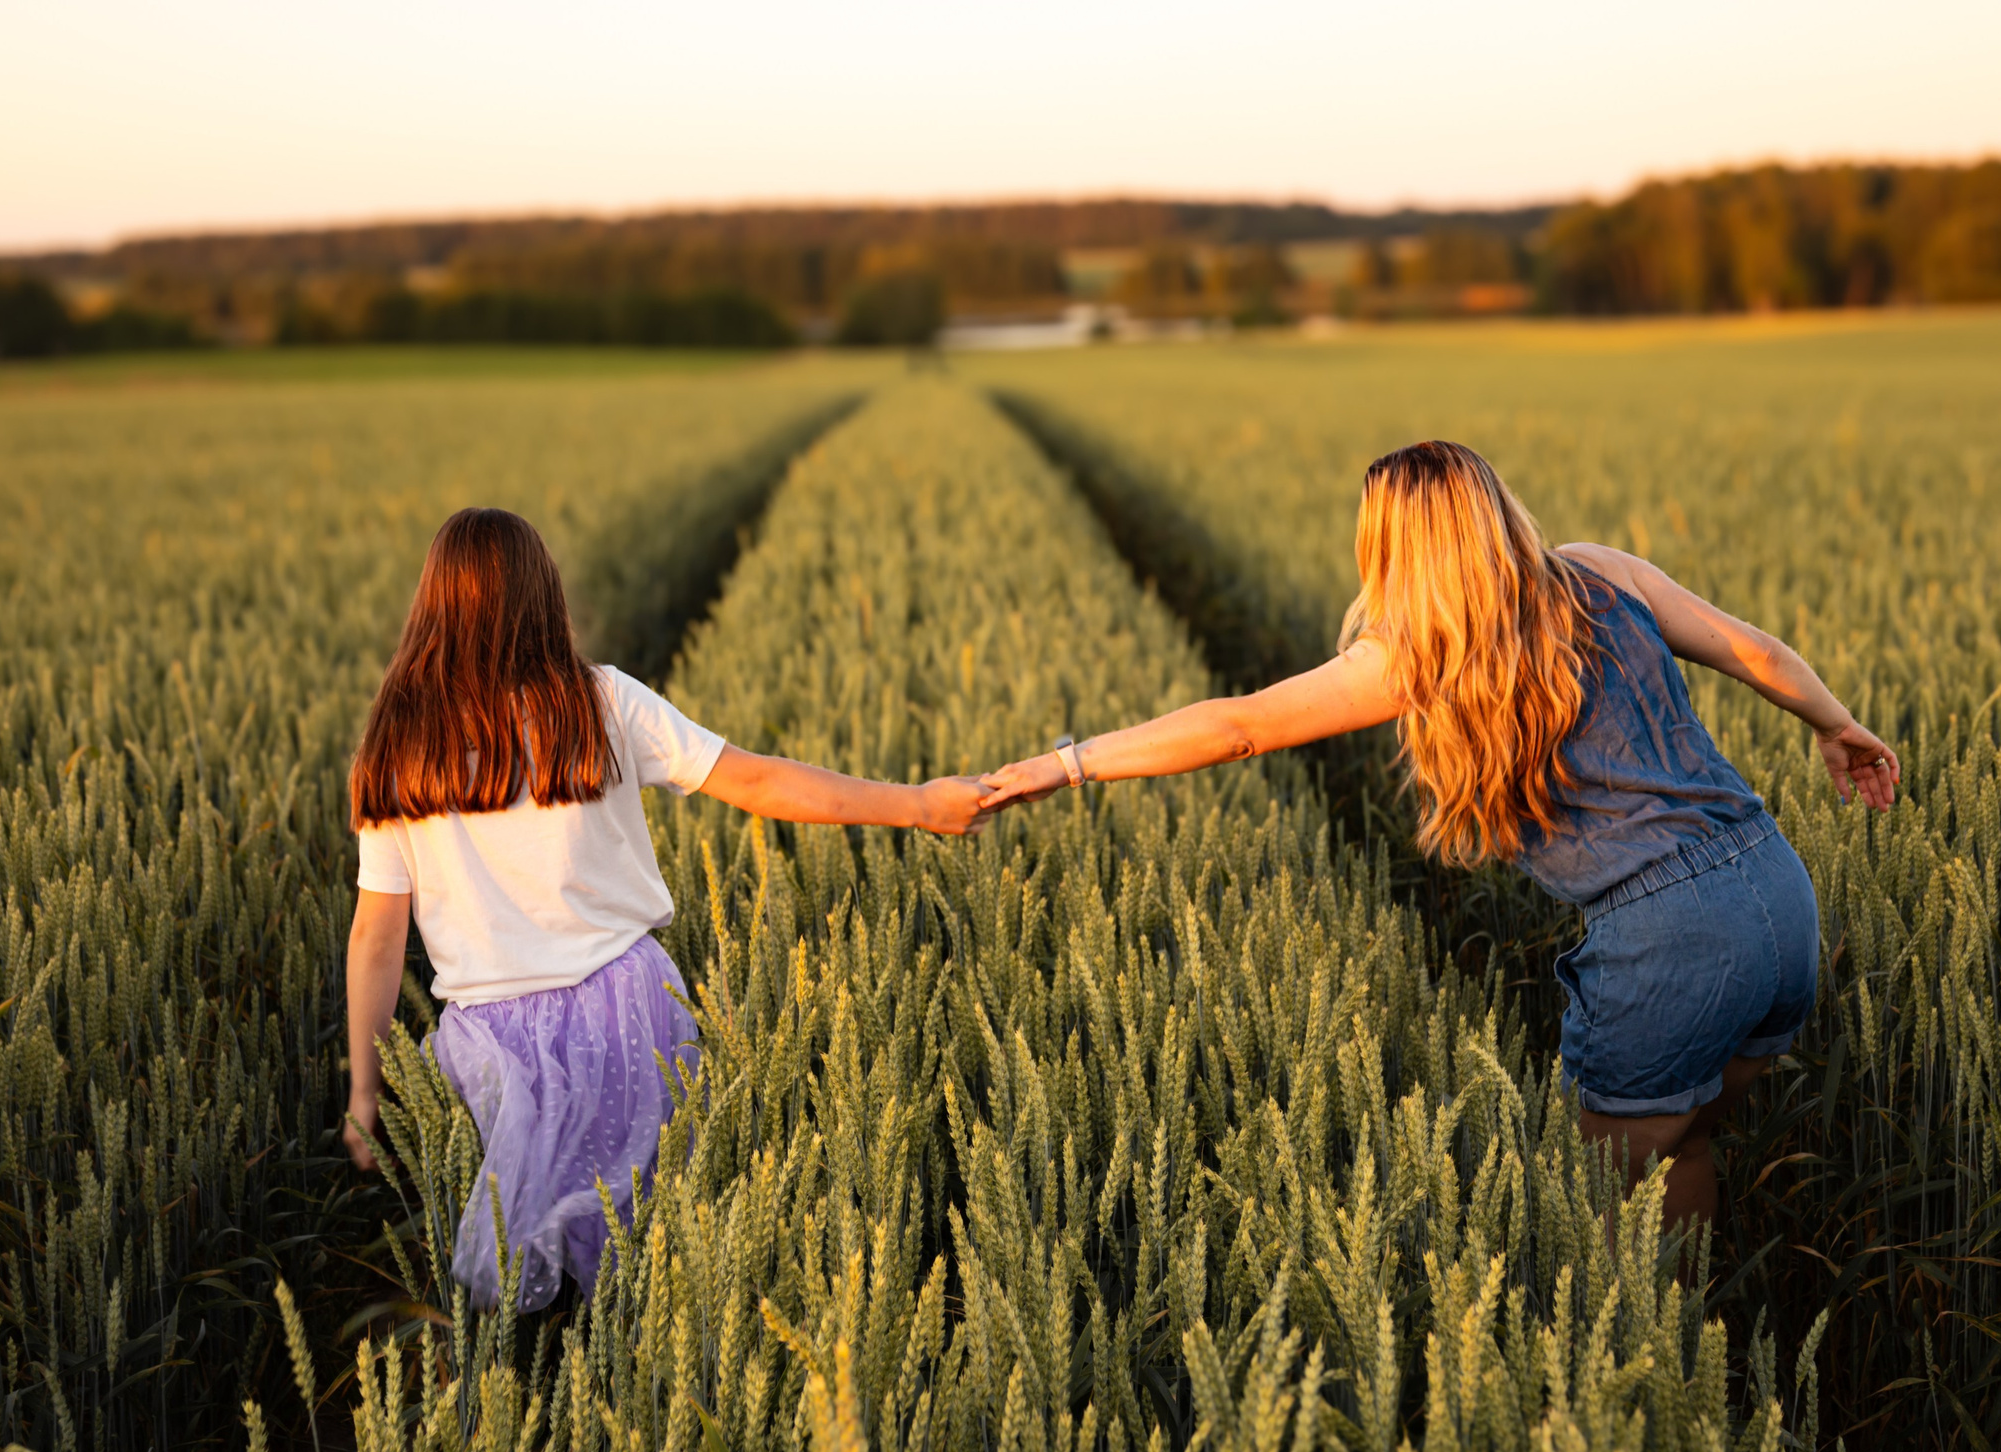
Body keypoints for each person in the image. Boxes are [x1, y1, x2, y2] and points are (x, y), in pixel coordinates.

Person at [978, 440, 1899, 1238]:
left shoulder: (1420, 654)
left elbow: (1239, 726)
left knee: (1609, 1190)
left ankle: (1655, 1373)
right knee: (1684, 1139)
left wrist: (1068, 763)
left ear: (1391, 548)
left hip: (1670, 939)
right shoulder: (1600, 572)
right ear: (1496, 513)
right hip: (1777, 891)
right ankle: (1697, 1336)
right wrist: (1836, 724)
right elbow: (1760, 654)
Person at [343, 507, 989, 1310]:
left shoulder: (399, 749)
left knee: (519, 1276)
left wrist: (366, 1093)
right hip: (628, 1016)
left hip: (493, 1046)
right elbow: (757, 780)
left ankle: (522, 1405)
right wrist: (916, 803)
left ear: (431, 607)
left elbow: (377, 937)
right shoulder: (601, 704)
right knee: (648, 1258)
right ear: (543, 599)